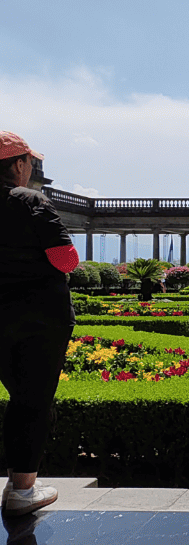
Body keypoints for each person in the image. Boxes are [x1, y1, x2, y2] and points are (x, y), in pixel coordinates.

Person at [0, 131, 79, 515]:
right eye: (29, 161)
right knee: (33, 401)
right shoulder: (32, 201)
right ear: (18, 164)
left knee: (18, 398)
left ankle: (16, 481)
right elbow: (66, 260)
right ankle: (22, 488)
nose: (31, 168)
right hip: (40, 319)